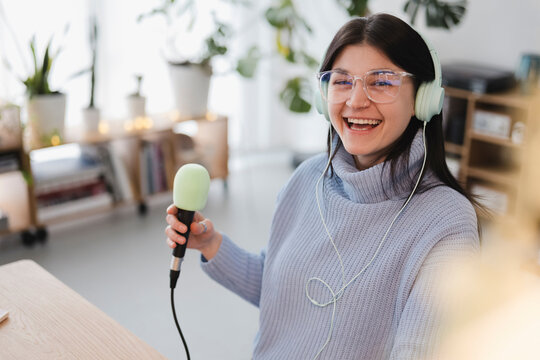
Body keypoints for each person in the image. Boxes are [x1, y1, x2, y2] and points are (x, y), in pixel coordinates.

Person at [165, 13, 480, 359]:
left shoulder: (447, 222)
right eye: (342, 82)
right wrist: (210, 243)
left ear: (424, 99)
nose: (356, 101)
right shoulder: (308, 179)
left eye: (382, 82)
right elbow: (283, 295)